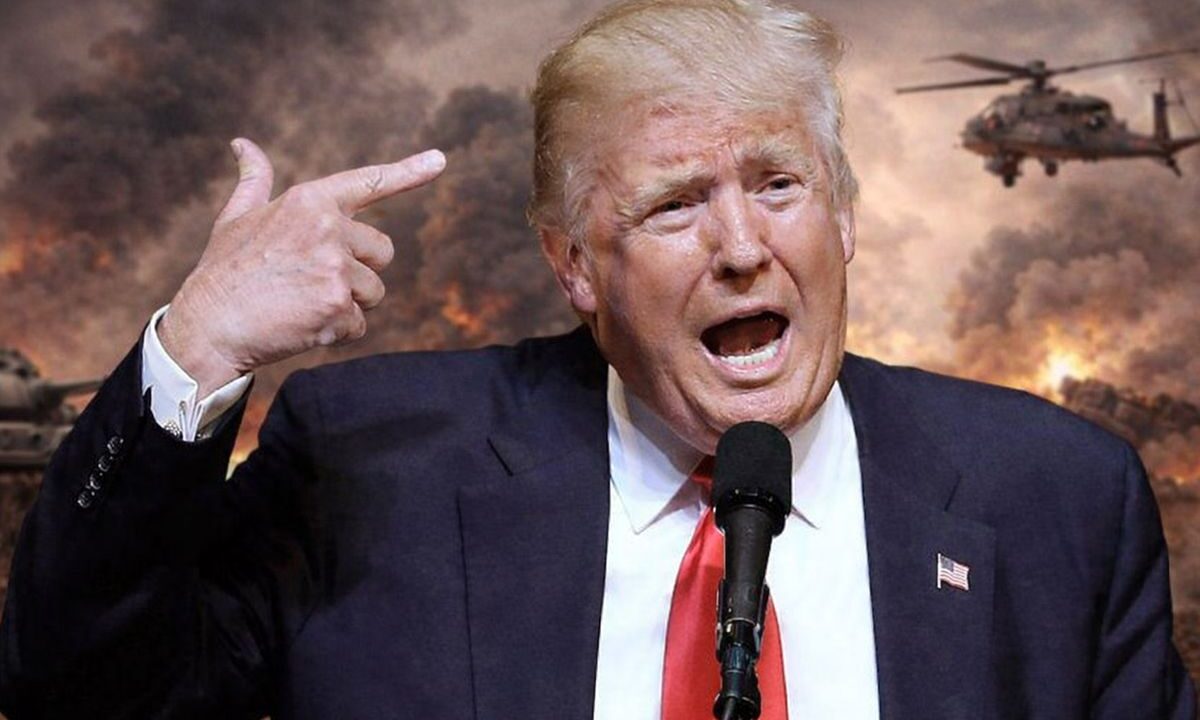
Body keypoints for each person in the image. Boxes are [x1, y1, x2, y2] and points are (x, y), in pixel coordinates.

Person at [0, 0, 1194, 717]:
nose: (743, 248)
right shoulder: (370, 466)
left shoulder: (1060, 497)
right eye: (676, 204)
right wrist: (198, 343)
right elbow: (79, 694)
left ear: (842, 216)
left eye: (781, 185)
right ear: (574, 264)